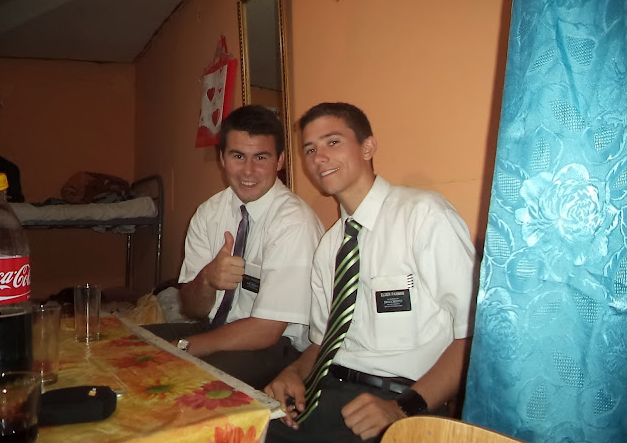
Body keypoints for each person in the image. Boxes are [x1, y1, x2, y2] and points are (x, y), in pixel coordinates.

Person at [264, 102, 476, 442]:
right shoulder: (329, 247)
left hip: (404, 399)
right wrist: (293, 372)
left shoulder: (424, 216)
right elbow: (323, 342)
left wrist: (403, 408)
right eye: (310, 149)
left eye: (333, 142)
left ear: (368, 147)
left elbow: (473, 335)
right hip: (326, 392)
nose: (319, 157)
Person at [144, 105, 324, 389]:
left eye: (261, 157)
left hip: (277, 345)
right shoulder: (209, 212)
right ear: (222, 159)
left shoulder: (294, 223)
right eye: (238, 156)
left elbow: (267, 330)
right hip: (214, 326)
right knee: (125, 347)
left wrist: (182, 347)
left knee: (180, 381)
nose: (248, 170)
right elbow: (192, 309)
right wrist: (207, 278)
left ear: (280, 161)